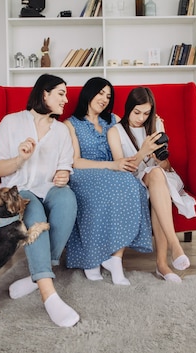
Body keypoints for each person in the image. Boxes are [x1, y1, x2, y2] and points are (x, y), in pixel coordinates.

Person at [0, 73, 79, 327]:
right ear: (44, 94)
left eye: (66, 94)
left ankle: (35, 275)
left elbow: (64, 168)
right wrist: (20, 159)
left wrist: (63, 174)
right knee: (32, 207)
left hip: (48, 189)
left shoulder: (61, 131)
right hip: (16, 191)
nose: (66, 99)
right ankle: (48, 294)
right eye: (61, 93)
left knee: (67, 199)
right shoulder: (11, 122)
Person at [64, 77, 153, 285]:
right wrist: (112, 166)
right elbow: (75, 162)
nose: (104, 99)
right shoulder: (71, 124)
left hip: (115, 173)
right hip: (85, 173)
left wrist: (155, 126)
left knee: (132, 185)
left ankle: (115, 258)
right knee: (109, 187)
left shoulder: (113, 119)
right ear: (89, 93)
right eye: (100, 93)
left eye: (108, 96)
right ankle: (91, 258)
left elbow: (133, 135)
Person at [108, 86, 194, 283]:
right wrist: (143, 151)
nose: (141, 118)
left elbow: (166, 166)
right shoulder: (115, 131)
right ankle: (171, 251)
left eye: (146, 113)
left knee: (157, 177)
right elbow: (122, 169)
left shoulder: (155, 125)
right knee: (155, 178)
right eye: (137, 112)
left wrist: (159, 157)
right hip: (131, 181)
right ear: (128, 108)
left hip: (158, 179)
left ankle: (163, 263)